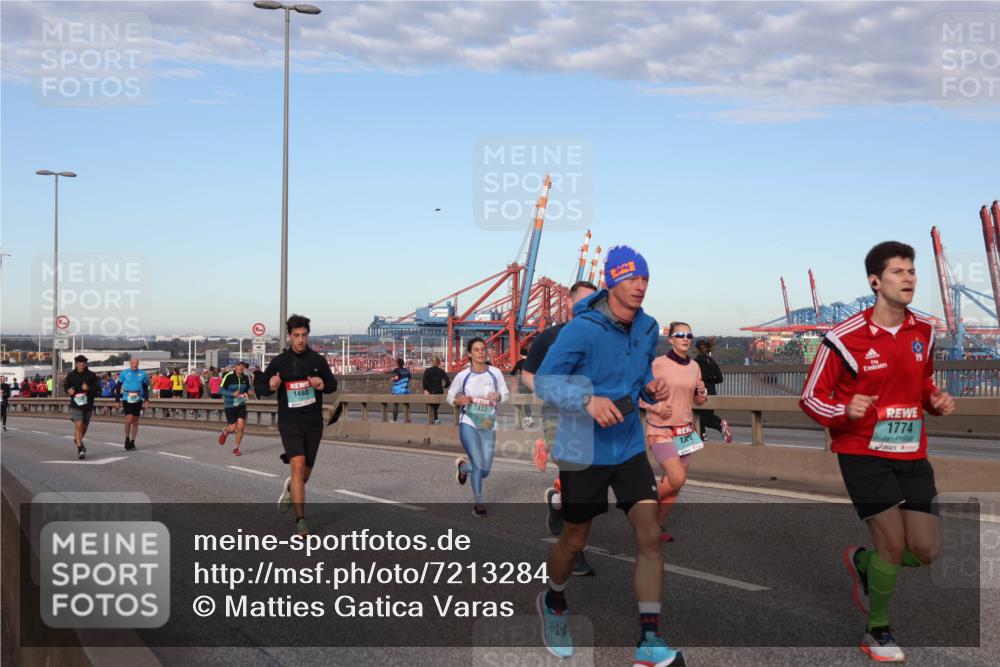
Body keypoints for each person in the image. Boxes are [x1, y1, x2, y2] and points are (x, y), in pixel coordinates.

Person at [800, 241, 955, 663]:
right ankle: (877, 631)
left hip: (911, 452)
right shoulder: (843, 337)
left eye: (912, 272)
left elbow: (922, 381)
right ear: (875, 281)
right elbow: (811, 397)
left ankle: (865, 564)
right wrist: (843, 409)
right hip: (862, 451)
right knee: (892, 542)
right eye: (898, 272)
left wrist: (934, 398)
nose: (909, 279)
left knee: (924, 550)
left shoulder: (925, 329)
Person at [533, 246, 682, 664]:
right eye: (631, 279)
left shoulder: (649, 326)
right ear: (611, 282)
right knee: (576, 537)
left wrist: (650, 388)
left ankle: (650, 639)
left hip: (629, 444)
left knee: (650, 534)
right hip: (583, 446)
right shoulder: (582, 329)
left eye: (645, 279)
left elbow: (638, 373)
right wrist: (588, 399)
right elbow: (545, 382)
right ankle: (554, 602)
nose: (640, 286)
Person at [521, 279, 598, 576]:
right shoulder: (550, 337)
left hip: (592, 416)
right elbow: (528, 375)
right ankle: (576, 551)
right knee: (577, 476)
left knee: (588, 483)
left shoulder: (602, 339)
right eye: (583, 302)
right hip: (558, 416)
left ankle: (557, 501)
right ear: (569, 303)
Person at [255, 314, 337, 538]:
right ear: (290, 336)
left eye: (304, 335)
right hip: (290, 422)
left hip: (312, 423)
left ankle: (292, 487)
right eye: (296, 335)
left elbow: (332, 385)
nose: (300, 340)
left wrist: (321, 384)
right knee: (298, 465)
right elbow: (260, 387)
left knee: (304, 474)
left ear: (308, 335)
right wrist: (271, 385)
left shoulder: (317, 361)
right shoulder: (280, 362)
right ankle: (301, 522)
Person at [640, 321, 708, 543]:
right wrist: (654, 406)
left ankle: (654, 528)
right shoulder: (657, 364)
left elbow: (697, 400)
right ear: (670, 339)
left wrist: (702, 395)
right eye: (680, 335)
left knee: (677, 484)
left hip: (685, 430)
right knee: (676, 478)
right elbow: (636, 393)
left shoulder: (695, 367)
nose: (685, 338)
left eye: (689, 334)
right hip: (660, 429)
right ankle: (640, 508)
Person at [447, 338, 509, 517]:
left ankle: (463, 468)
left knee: (485, 470)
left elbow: (505, 395)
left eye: (483, 349)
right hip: (469, 421)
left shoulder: (495, 373)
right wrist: (458, 401)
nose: (481, 352)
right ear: (469, 354)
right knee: (478, 463)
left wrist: (498, 397)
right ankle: (479, 504)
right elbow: (450, 397)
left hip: (488, 423)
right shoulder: (463, 375)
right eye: (476, 350)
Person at [693, 337, 733, 443]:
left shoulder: (695, 363)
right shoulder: (712, 361)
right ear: (707, 349)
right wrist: (710, 383)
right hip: (712, 392)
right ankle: (707, 434)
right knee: (707, 416)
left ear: (697, 349)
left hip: (699, 393)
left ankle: (712, 431)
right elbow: (720, 379)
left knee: (701, 417)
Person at [63, 355, 100, 460]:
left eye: (84, 363)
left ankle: (77, 439)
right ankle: (80, 448)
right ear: (76, 364)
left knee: (84, 427)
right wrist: (68, 390)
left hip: (88, 404)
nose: (82, 365)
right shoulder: (71, 375)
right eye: (80, 363)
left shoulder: (91, 375)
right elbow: (66, 385)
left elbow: (98, 388)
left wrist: (88, 388)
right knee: (78, 425)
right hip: (76, 404)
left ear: (86, 364)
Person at [219, 360, 253, 456]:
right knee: (233, 428)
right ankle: (226, 431)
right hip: (229, 405)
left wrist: (250, 392)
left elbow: (248, 389)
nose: (242, 367)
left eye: (243, 366)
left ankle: (236, 448)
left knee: (241, 426)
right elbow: (220, 390)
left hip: (241, 404)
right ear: (235, 367)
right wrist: (232, 394)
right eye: (240, 365)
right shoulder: (228, 376)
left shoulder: (246, 378)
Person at [114, 358, 150, 451]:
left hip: (138, 398)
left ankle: (132, 442)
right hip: (127, 397)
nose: (135, 364)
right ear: (130, 363)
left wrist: (146, 400)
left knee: (136, 420)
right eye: (134, 363)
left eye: (137, 363)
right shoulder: (124, 373)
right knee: (129, 419)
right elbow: (118, 387)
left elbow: (145, 388)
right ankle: (127, 438)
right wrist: (117, 400)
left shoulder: (142, 374)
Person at [422, 356, 450, 424]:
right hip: (439, 391)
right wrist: (444, 386)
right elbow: (448, 382)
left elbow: (424, 381)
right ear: (439, 363)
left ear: (431, 362)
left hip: (430, 391)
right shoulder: (442, 371)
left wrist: (426, 389)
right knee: (435, 408)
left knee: (430, 408)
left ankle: (433, 421)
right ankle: (435, 420)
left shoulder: (427, 371)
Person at [511, 347, 534, 428]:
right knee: (528, 401)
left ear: (521, 355)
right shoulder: (532, 362)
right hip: (531, 383)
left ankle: (528, 418)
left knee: (525, 402)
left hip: (522, 384)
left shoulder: (519, 362)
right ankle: (529, 417)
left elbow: (512, 373)